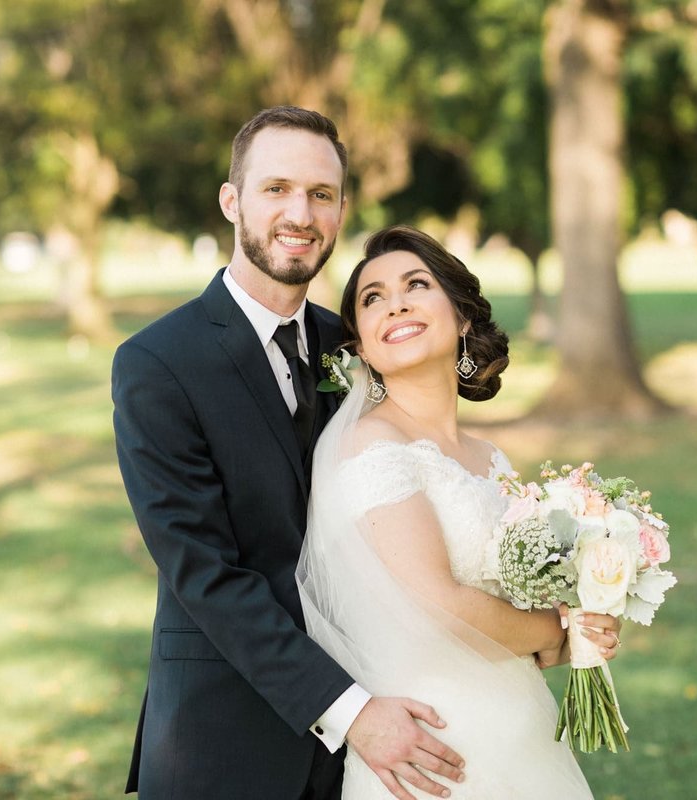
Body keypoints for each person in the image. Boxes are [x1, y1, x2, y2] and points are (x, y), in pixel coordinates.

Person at [113, 107, 468, 799]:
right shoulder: (157, 363)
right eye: (276, 188)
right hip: (224, 744)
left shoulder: (357, 345)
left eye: (321, 194)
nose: (299, 213)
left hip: (379, 739)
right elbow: (205, 573)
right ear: (231, 199)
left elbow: (431, 485)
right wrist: (351, 712)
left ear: (341, 211)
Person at [298, 225, 622, 799]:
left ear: (463, 318)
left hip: (521, 728)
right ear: (363, 347)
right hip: (433, 749)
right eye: (372, 298)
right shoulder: (372, 447)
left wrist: (580, 614)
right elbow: (439, 604)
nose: (394, 302)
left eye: (415, 284)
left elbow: (506, 598)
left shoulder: (489, 458)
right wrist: (552, 631)